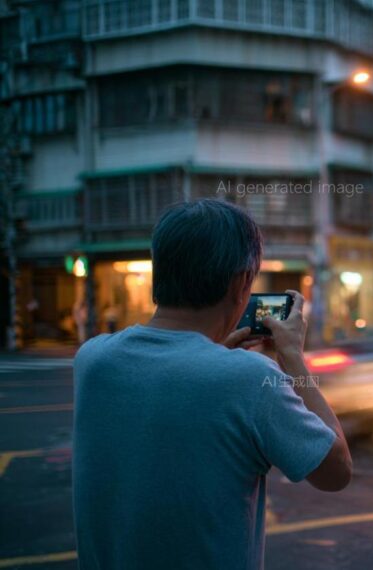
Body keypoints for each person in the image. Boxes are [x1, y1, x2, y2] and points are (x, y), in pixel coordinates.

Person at [73, 199, 352, 570]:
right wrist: (293, 359)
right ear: (240, 284)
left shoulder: (92, 359)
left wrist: (213, 353)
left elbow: (174, 389)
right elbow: (336, 472)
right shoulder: (249, 379)